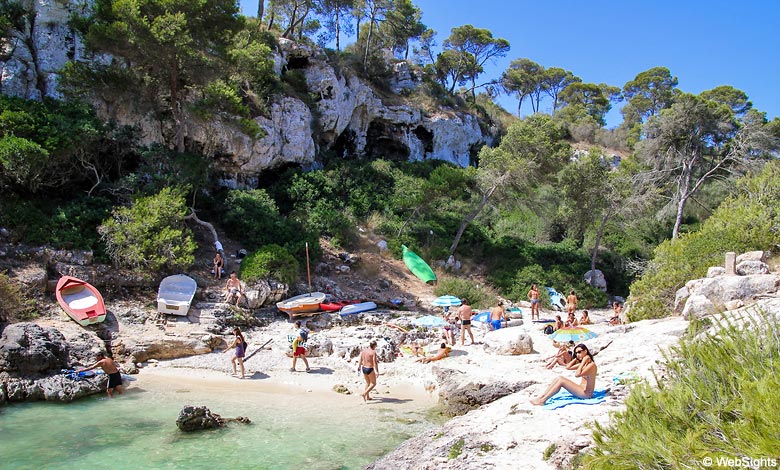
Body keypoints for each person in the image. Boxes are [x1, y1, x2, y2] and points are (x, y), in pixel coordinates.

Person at [531, 344, 598, 406]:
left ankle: (543, 400)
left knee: (561, 381)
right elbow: (568, 367)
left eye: (579, 352)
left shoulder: (591, 365)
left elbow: (577, 375)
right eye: (576, 353)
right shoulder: (584, 364)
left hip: (586, 394)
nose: (577, 354)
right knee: (559, 378)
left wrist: (583, 361)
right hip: (580, 389)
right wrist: (576, 359)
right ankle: (542, 397)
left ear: (585, 351)